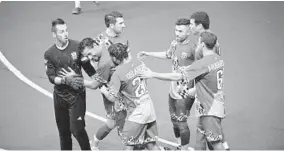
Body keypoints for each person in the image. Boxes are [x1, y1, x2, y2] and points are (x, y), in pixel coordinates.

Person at [139, 32, 227, 150]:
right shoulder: (218, 59)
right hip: (214, 104)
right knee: (203, 138)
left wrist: (152, 74)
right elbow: (210, 81)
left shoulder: (202, 64)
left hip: (209, 109)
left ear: (203, 45)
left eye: (199, 43)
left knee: (215, 143)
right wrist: (193, 91)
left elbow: (177, 76)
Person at [137, 18, 196, 150]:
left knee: (181, 122)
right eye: (176, 30)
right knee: (174, 121)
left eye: (180, 31)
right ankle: (179, 144)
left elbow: (201, 69)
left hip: (185, 91)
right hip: (173, 90)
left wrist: (195, 89)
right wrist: (149, 53)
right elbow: (168, 54)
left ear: (188, 32)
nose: (177, 33)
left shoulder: (193, 48)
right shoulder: (174, 43)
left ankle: (184, 149)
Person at [44, 18, 96, 150]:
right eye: (61, 31)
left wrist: (99, 80)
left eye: (66, 30)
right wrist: (65, 80)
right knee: (64, 133)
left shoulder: (77, 47)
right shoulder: (49, 54)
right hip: (60, 97)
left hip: (77, 96)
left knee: (77, 130)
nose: (66, 34)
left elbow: (89, 69)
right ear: (54, 34)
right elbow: (51, 77)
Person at [99, 43, 161, 150]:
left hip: (137, 113)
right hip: (149, 108)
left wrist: (104, 90)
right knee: (151, 144)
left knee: (128, 146)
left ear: (115, 58)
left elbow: (112, 98)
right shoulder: (139, 63)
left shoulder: (117, 74)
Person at [189, 11, 229, 150]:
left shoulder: (207, 42)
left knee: (209, 128)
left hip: (207, 93)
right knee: (203, 129)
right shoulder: (209, 39)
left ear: (199, 26)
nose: (190, 27)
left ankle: (223, 146)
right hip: (205, 90)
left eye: (192, 24)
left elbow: (208, 67)